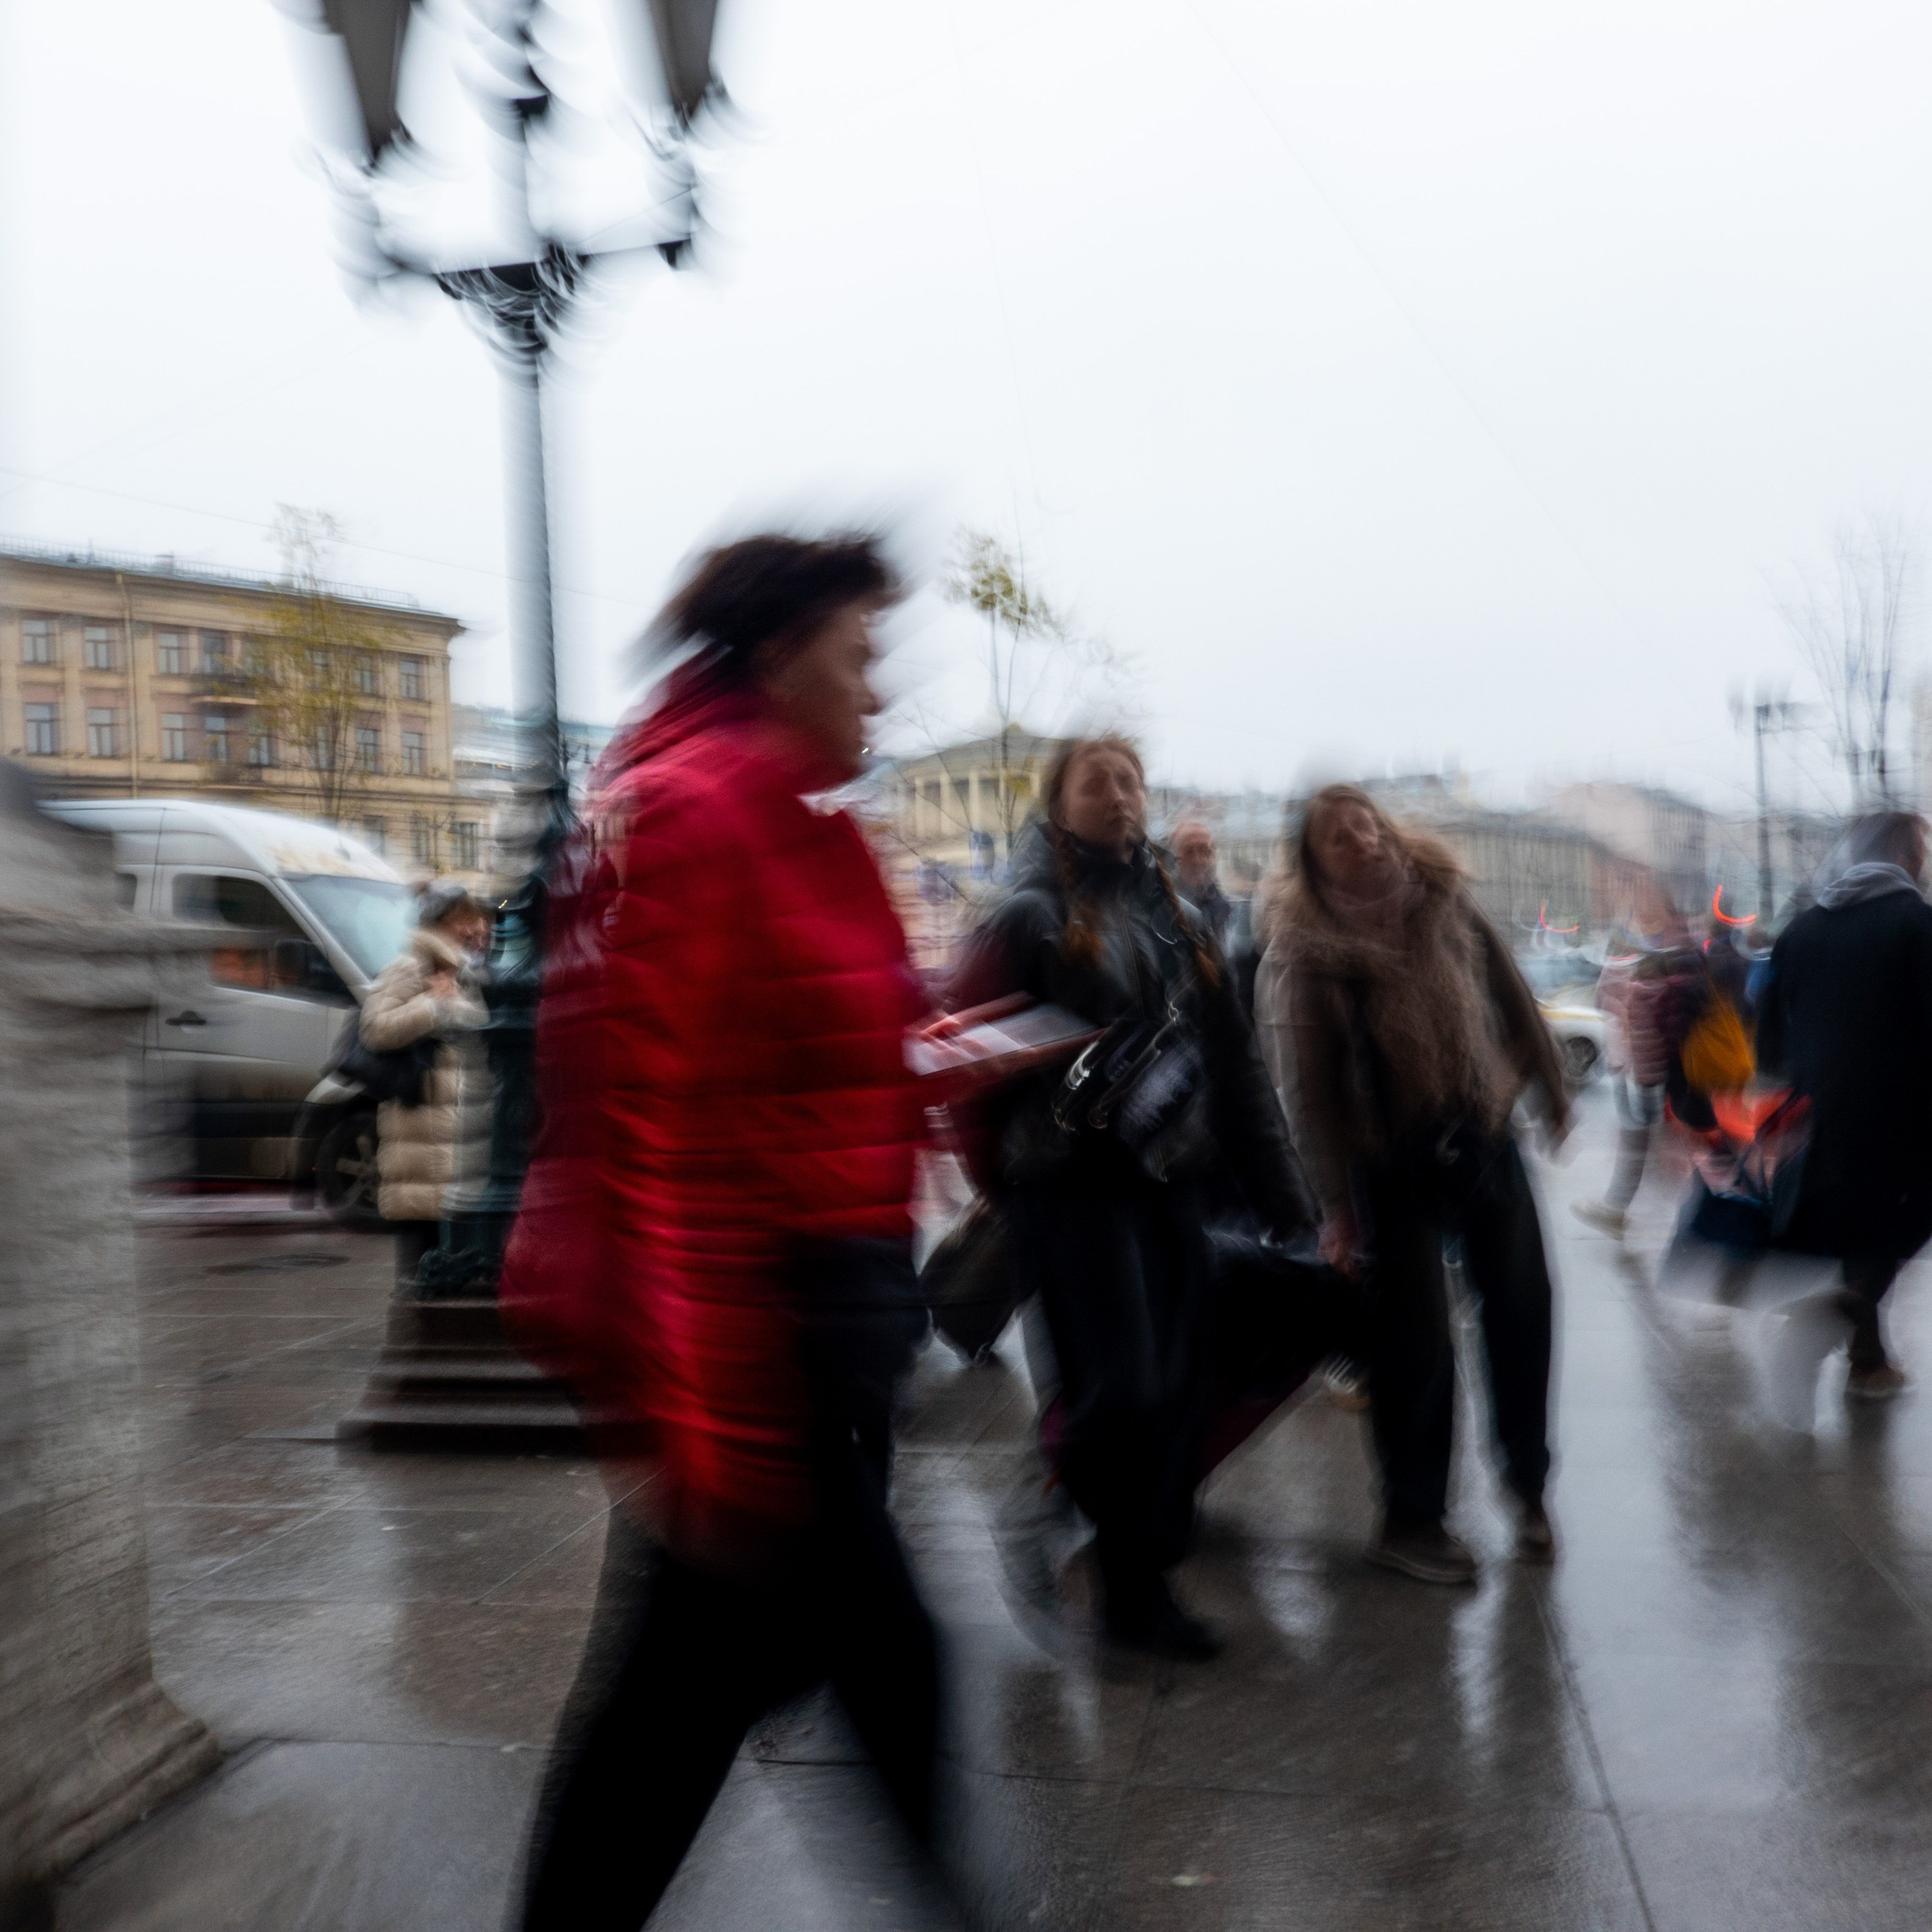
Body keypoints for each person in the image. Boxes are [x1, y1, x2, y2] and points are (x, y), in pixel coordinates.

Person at [501, 534, 947, 1930]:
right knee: (814, 1677)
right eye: (859, 655)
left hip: (815, 1312)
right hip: (767, 1327)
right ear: (775, 651)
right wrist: (712, 1423)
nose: (880, 693)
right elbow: (655, 1128)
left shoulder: (783, 809)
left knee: (731, 1689)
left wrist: (948, 1058)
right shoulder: (706, 806)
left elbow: (817, 1040)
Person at [952, 736, 1314, 1659]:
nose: (1120, 795)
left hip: (1168, 1189)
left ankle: (1137, 1592)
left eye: (1131, 779)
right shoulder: (1028, 915)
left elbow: (1235, 1071)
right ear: (1058, 798)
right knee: (1122, 1389)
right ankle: (1048, 1519)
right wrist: (1008, 1187)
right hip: (1072, 1197)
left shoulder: (1181, 919)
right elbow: (970, 1070)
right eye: (1098, 780)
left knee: (1172, 1390)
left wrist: (1288, 1205)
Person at [1257, 783, 1569, 1583]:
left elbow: (1512, 1001)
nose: (1360, 838)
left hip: (1483, 1140)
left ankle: (1528, 1486)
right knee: (1416, 1343)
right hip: (1388, 1166)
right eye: (1336, 835)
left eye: (1366, 822)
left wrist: (1542, 1092)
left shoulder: (1447, 903)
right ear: (1311, 861)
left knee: (1523, 1305)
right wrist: (1333, 1207)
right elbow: (1309, 1095)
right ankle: (1411, 1518)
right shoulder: (1306, 953)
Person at [1755, 811, 1932, 1398]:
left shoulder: (1803, 927)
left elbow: (1769, 1035)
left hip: (1816, 1115)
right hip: (1901, 1116)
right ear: (1903, 855)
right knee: (1897, 1226)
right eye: (1922, 846)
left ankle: (1867, 1359)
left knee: (1856, 1229)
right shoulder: (1916, 923)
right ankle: (1833, 1314)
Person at [358, 880, 491, 1290]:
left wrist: (452, 1007)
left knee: (444, 1225)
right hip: (421, 1123)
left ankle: (431, 1298)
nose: (478, 929)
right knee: (421, 1226)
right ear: (445, 923)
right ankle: (415, 1311)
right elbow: (376, 1029)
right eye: (468, 920)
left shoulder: (461, 971)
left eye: (479, 921)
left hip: (451, 1123)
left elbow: (480, 1029)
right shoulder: (411, 965)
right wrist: (434, 1006)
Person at [1171, 817, 1233, 943]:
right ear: (1175, 859)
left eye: (1205, 851)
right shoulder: (1168, 906)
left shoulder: (1224, 907)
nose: (1199, 860)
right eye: (1189, 852)